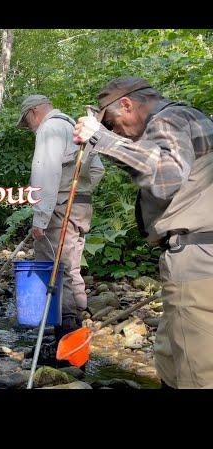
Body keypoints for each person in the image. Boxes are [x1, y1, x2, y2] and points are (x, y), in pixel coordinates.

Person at [74, 76, 213, 388]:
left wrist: (102, 139)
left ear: (127, 105)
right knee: (172, 358)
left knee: (197, 371)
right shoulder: (192, 116)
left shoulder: (166, 121)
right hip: (196, 253)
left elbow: (166, 178)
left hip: (198, 258)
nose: (113, 131)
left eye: (110, 122)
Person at [17, 95, 104, 355]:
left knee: (55, 269)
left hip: (59, 210)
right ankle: (74, 340)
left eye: (27, 122)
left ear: (33, 112)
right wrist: (79, 193)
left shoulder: (49, 128)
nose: (30, 127)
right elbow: (98, 170)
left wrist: (40, 218)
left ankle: (63, 342)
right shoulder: (76, 128)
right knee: (71, 268)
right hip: (81, 206)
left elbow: (44, 174)